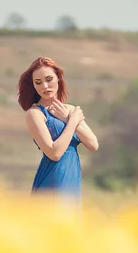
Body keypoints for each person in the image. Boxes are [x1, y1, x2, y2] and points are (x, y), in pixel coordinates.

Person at [17, 56, 98, 202]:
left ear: (58, 79)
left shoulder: (70, 110)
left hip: (72, 179)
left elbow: (93, 144)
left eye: (49, 79)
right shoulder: (35, 114)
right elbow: (54, 153)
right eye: (38, 82)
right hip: (52, 180)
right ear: (33, 86)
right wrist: (72, 121)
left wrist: (67, 118)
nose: (45, 86)